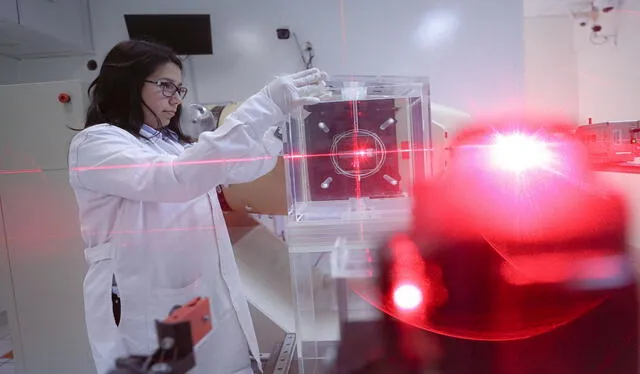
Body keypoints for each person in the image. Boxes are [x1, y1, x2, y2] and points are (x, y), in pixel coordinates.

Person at [68, 39, 327, 374]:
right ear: (127, 84)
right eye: (165, 86)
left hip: (195, 298)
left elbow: (244, 167)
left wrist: (277, 125)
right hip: (142, 304)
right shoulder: (96, 144)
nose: (176, 99)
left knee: (219, 365)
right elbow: (176, 180)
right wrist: (263, 105)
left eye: (179, 89)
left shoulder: (171, 145)